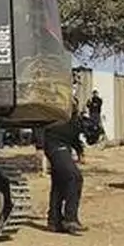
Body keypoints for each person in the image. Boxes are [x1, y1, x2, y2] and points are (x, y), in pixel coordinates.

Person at [35, 97, 86, 235]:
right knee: (74, 177)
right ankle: (70, 218)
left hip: (65, 147)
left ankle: (54, 221)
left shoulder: (74, 117)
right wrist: (39, 146)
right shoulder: (53, 111)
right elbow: (40, 125)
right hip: (53, 144)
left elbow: (74, 136)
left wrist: (80, 151)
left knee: (59, 182)